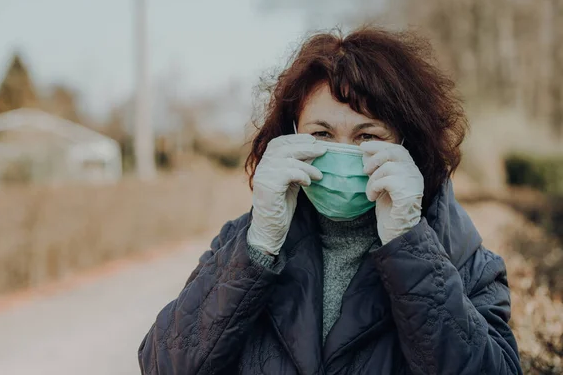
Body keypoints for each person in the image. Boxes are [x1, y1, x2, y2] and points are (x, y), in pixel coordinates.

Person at [138, 27, 522, 375]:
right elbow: (163, 366)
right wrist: (257, 248)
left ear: (408, 144)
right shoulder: (243, 243)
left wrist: (410, 247)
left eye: (367, 136)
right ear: (288, 138)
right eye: (321, 134)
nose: (342, 152)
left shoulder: (465, 258)